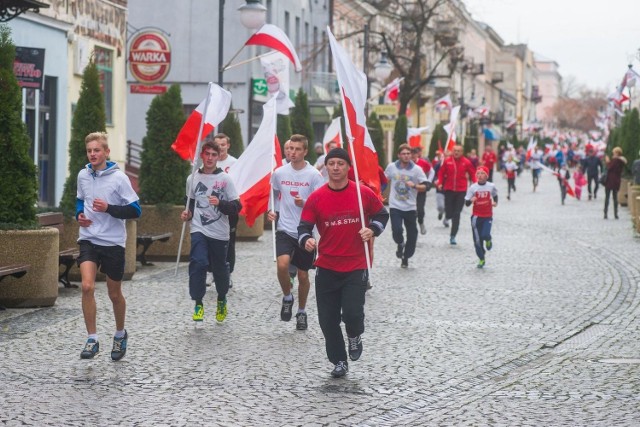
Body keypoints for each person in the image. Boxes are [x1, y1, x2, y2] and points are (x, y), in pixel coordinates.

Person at [298, 148, 389, 378]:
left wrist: (372, 229)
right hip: (326, 266)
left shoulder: (362, 194)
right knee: (327, 320)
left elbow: (382, 215)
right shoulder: (316, 198)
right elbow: (303, 227)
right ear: (326, 167)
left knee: (352, 314)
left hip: (355, 265)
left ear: (348, 167)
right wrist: (307, 240)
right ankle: (339, 360)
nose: (336, 168)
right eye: (332, 163)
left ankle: (355, 335)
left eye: (340, 163)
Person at [76, 132, 141, 360]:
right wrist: (79, 215)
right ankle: (92, 339)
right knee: (86, 286)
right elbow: (79, 199)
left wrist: (109, 208)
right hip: (89, 238)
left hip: (113, 242)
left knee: (114, 294)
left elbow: (136, 210)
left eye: (97, 150)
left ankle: (120, 334)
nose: (93, 154)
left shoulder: (119, 179)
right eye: (89, 151)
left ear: (106, 152)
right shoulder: (83, 175)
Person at [268, 134, 325, 330]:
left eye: (297, 149)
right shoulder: (280, 173)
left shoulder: (314, 175)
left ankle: (301, 311)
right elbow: (274, 193)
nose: (292, 152)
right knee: (282, 265)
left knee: (302, 275)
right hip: (284, 228)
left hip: (305, 231)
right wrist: (272, 210)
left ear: (305, 151)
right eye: (290, 148)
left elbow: (321, 203)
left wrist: (306, 203)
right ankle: (287, 297)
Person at [181, 140, 241, 323]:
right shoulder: (192, 178)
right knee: (198, 263)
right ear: (202, 155)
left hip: (219, 232)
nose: (210, 158)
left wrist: (220, 203)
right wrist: (187, 212)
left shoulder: (225, 179)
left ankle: (221, 298)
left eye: (214, 155)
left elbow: (237, 206)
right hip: (199, 229)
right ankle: (198, 302)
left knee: (220, 269)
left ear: (218, 157)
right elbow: (189, 201)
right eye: (207, 154)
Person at [385, 144, 429, 268]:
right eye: (403, 153)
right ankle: (400, 243)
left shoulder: (416, 169)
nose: (406, 156)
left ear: (411, 155)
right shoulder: (392, 167)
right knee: (397, 230)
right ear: (399, 155)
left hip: (410, 207)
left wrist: (414, 186)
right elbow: (384, 180)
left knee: (412, 235)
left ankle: (406, 257)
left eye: (408, 153)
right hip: (395, 205)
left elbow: (426, 186)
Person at [212, 133, 238, 288]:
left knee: (228, 242)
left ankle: (228, 273)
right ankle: (211, 272)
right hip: (210, 208)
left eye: (223, 144)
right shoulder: (209, 162)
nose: (220, 147)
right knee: (209, 240)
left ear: (228, 145)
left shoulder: (234, 163)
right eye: (218, 144)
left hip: (229, 208)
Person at [437, 144, 476, 245]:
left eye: (458, 151)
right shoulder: (447, 161)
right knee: (449, 212)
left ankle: (453, 235)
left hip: (461, 190)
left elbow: (473, 174)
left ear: (462, 152)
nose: (456, 152)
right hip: (449, 189)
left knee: (457, 214)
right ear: (452, 152)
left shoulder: (466, 162)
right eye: (455, 151)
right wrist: (440, 182)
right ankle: (447, 216)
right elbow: (441, 173)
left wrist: (476, 186)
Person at [464, 166, 498, 268]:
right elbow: (466, 203)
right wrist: (471, 200)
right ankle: (481, 259)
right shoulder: (473, 188)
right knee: (477, 241)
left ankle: (488, 239)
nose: (480, 175)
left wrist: (495, 202)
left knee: (485, 234)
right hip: (476, 217)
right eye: (478, 173)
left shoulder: (491, 186)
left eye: (482, 173)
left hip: (487, 215)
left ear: (487, 176)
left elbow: (495, 195)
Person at [411, 146, 435, 235]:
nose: (412, 158)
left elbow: (432, 171)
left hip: (421, 190)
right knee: (411, 211)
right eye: (411, 156)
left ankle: (421, 222)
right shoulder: (406, 164)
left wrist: (428, 182)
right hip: (409, 192)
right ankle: (412, 230)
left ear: (417, 155)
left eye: (414, 156)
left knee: (420, 210)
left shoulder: (423, 163)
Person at [603, 147, 627, 219]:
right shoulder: (621, 162)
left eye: (614, 152)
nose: (613, 153)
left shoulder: (615, 161)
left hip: (610, 181)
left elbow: (609, 167)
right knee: (615, 198)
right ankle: (615, 214)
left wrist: (607, 161)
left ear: (617, 153)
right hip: (616, 181)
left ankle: (605, 213)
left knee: (607, 198)